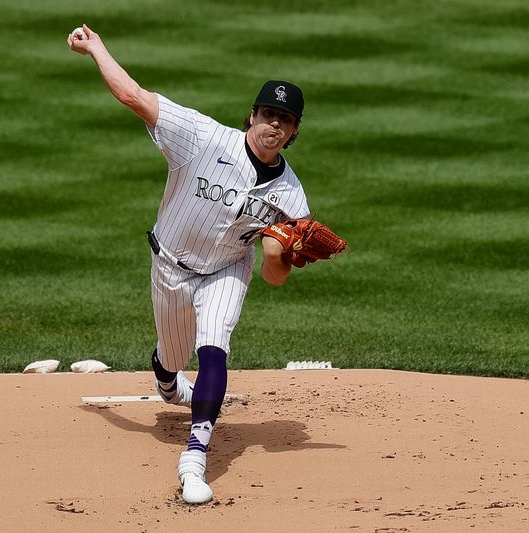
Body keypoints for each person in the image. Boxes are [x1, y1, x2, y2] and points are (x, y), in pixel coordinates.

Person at [67, 25, 310, 504]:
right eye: (268, 114)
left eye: (285, 119)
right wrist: (97, 49)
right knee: (172, 359)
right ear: (251, 116)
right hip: (170, 268)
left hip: (226, 270)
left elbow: (273, 277)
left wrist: (279, 251)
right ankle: (165, 375)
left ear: (296, 130)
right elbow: (134, 96)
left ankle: (194, 458)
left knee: (214, 345)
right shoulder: (202, 136)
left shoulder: (293, 198)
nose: (274, 126)